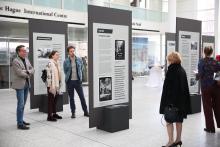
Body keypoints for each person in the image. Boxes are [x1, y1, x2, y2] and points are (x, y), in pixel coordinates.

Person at [159, 51, 191, 147]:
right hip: (181, 102)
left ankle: (170, 141)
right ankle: (178, 139)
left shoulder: (171, 71)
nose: (168, 62)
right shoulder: (182, 70)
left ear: (172, 60)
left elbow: (168, 89)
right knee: (179, 121)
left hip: (172, 102)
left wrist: (167, 103)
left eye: (169, 60)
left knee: (169, 121)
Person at [197, 47, 220, 133]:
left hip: (206, 86)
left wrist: (197, 75)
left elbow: (200, 74)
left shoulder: (201, 61)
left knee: (207, 107)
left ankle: (210, 128)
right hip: (216, 87)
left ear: (204, 52)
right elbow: (218, 73)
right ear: (212, 52)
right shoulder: (216, 62)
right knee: (218, 106)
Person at [12, 45, 34, 130]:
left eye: (26, 51)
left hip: (27, 85)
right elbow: (19, 73)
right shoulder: (15, 61)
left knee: (23, 104)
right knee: (20, 104)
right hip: (19, 85)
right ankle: (20, 124)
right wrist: (28, 73)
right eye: (23, 51)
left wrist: (27, 71)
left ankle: (20, 119)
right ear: (18, 52)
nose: (25, 52)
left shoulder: (27, 60)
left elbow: (33, 69)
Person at [63, 46, 89, 118]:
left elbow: (82, 68)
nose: (72, 52)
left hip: (78, 82)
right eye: (71, 51)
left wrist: (80, 78)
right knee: (71, 98)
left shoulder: (79, 59)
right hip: (70, 82)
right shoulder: (66, 61)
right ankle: (73, 112)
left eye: (73, 51)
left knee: (82, 97)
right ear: (68, 52)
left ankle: (86, 111)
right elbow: (65, 71)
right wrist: (68, 78)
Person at [46, 51, 62, 121]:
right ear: (52, 56)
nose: (58, 56)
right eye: (56, 55)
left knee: (55, 100)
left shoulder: (57, 63)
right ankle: (49, 116)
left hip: (57, 84)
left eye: (58, 55)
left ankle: (54, 113)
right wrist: (49, 86)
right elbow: (48, 76)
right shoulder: (50, 63)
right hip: (52, 85)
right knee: (51, 101)